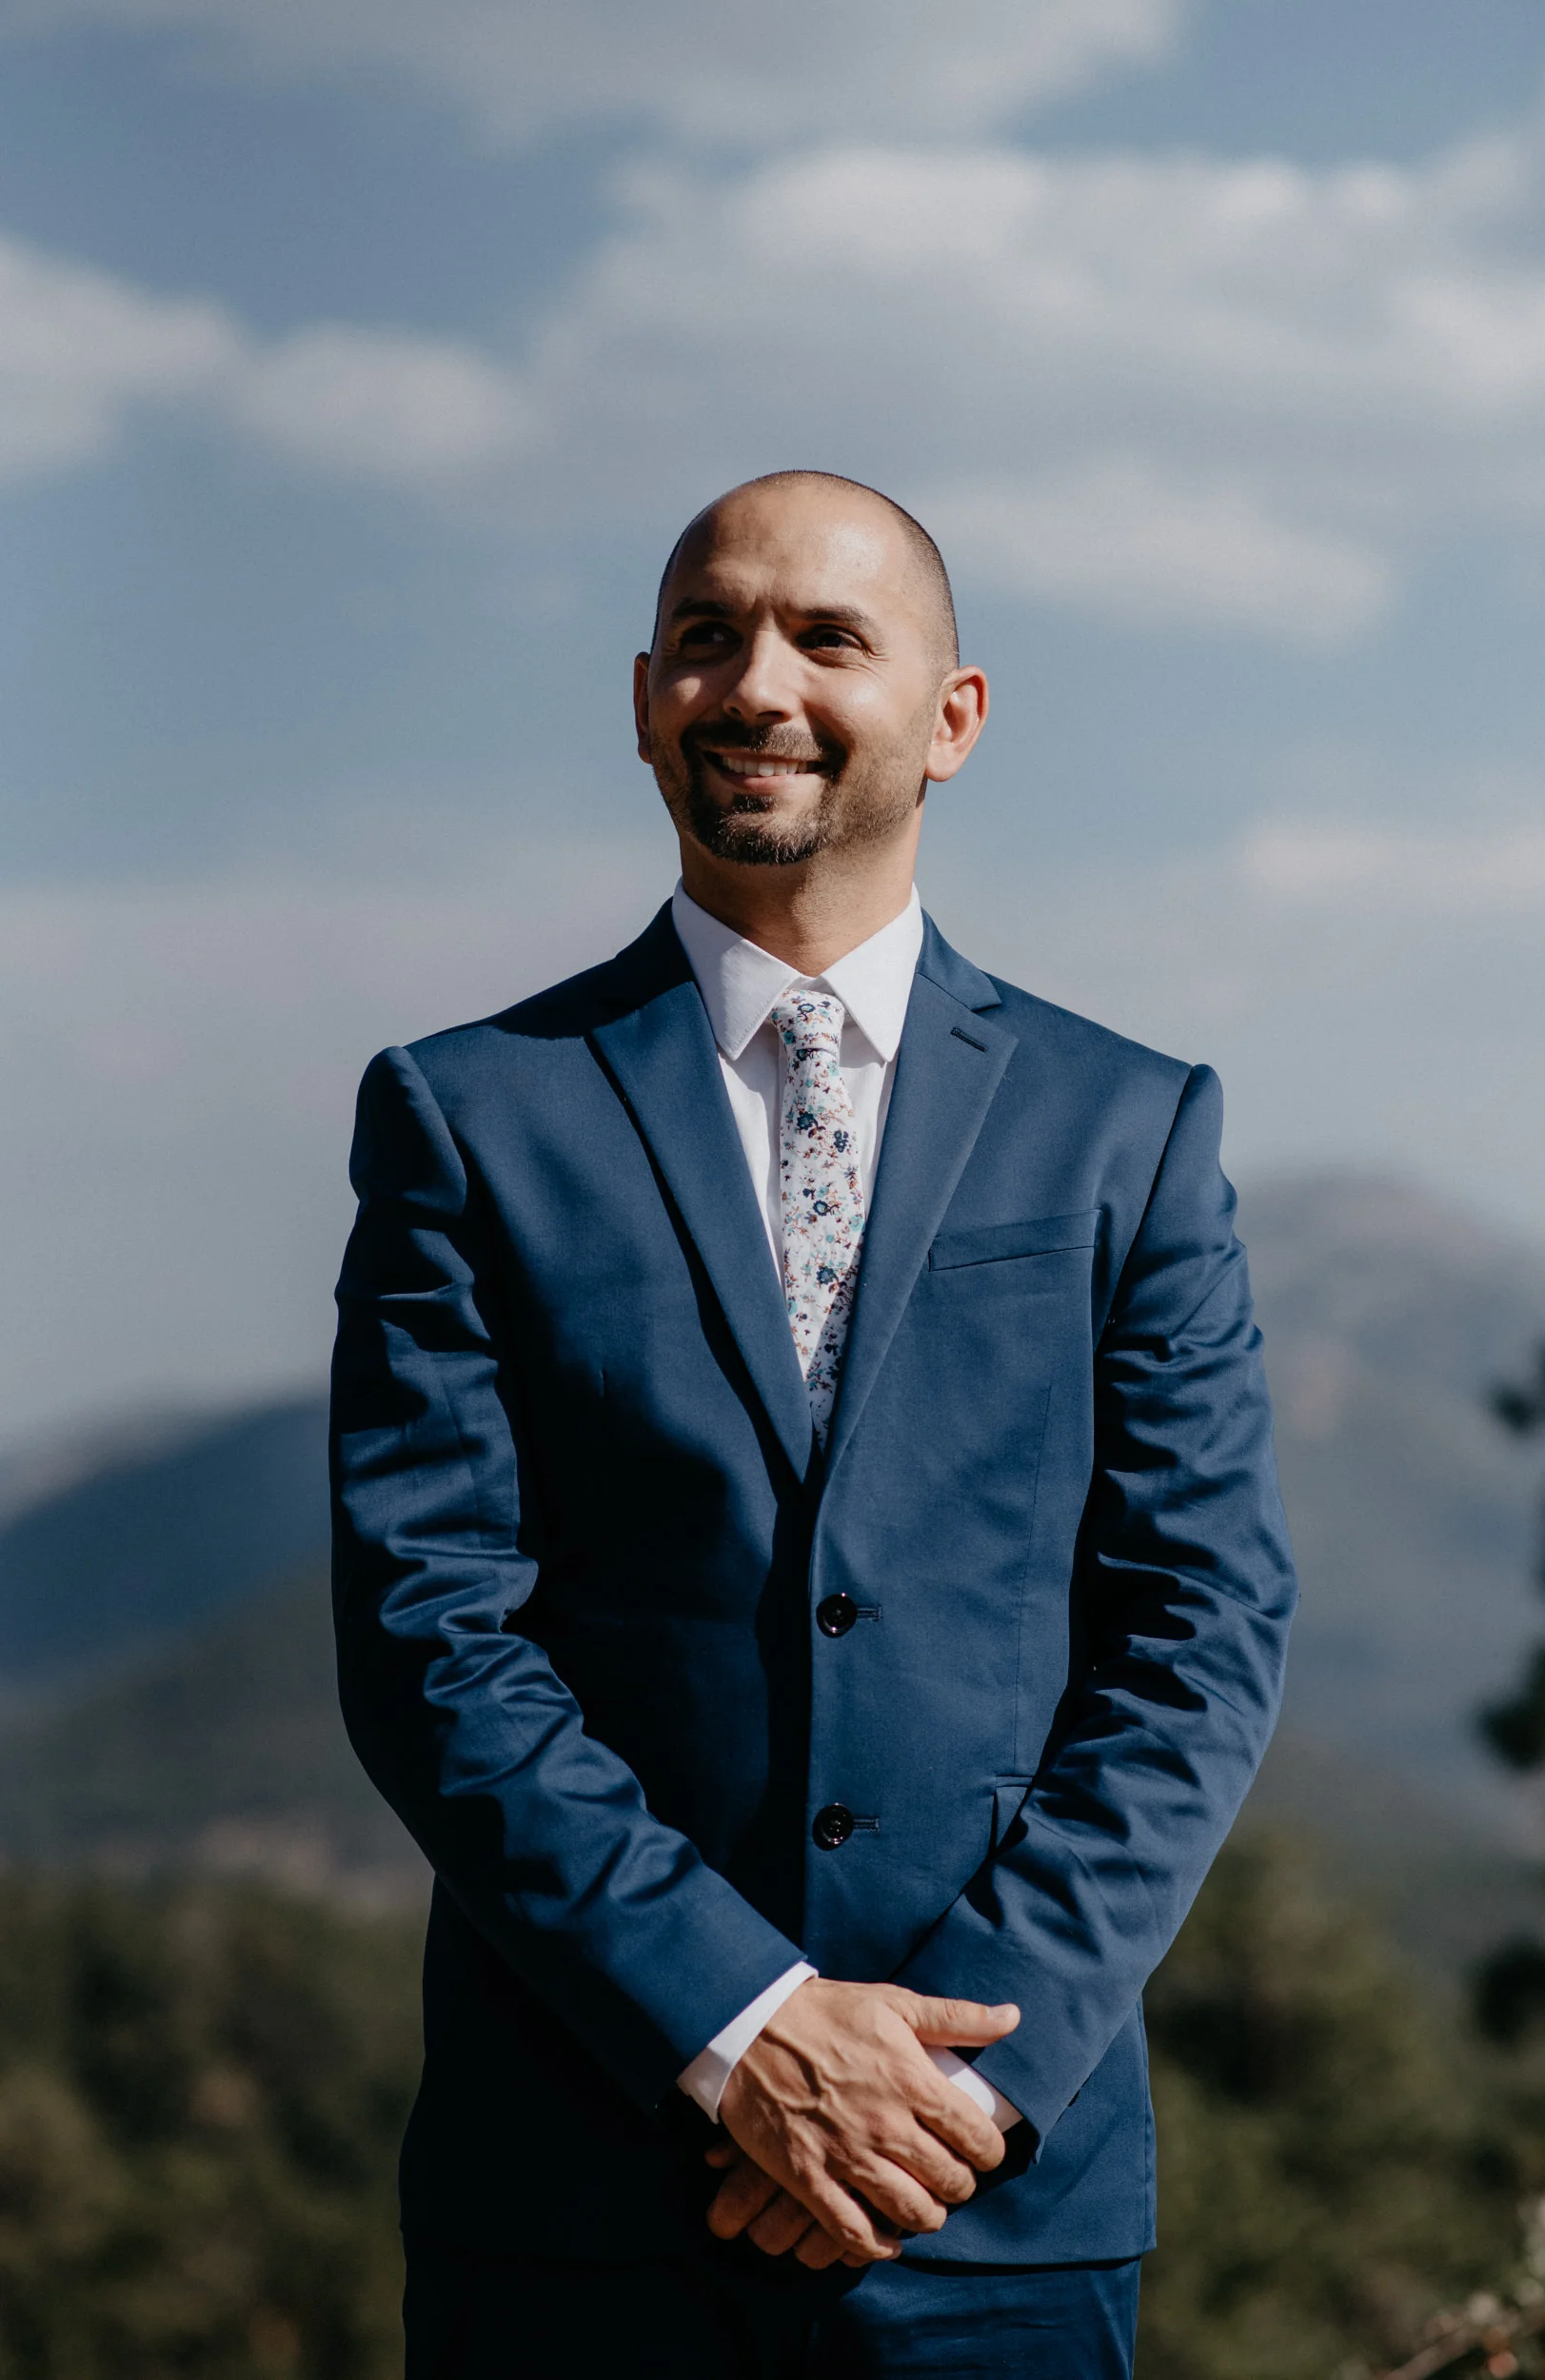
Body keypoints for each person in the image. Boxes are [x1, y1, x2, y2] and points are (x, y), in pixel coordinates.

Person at [329, 470, 1297, 2377]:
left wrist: (936, 2072)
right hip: (583, 2202)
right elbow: (428, 1628)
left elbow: (1197, 1632)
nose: (750, 679)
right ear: (640, 697)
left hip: (991, 2196)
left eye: (822, 637)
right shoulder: (465, 1115)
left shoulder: (1128, 1126)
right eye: (705, 635)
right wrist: (742, 2025)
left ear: (952, 720)